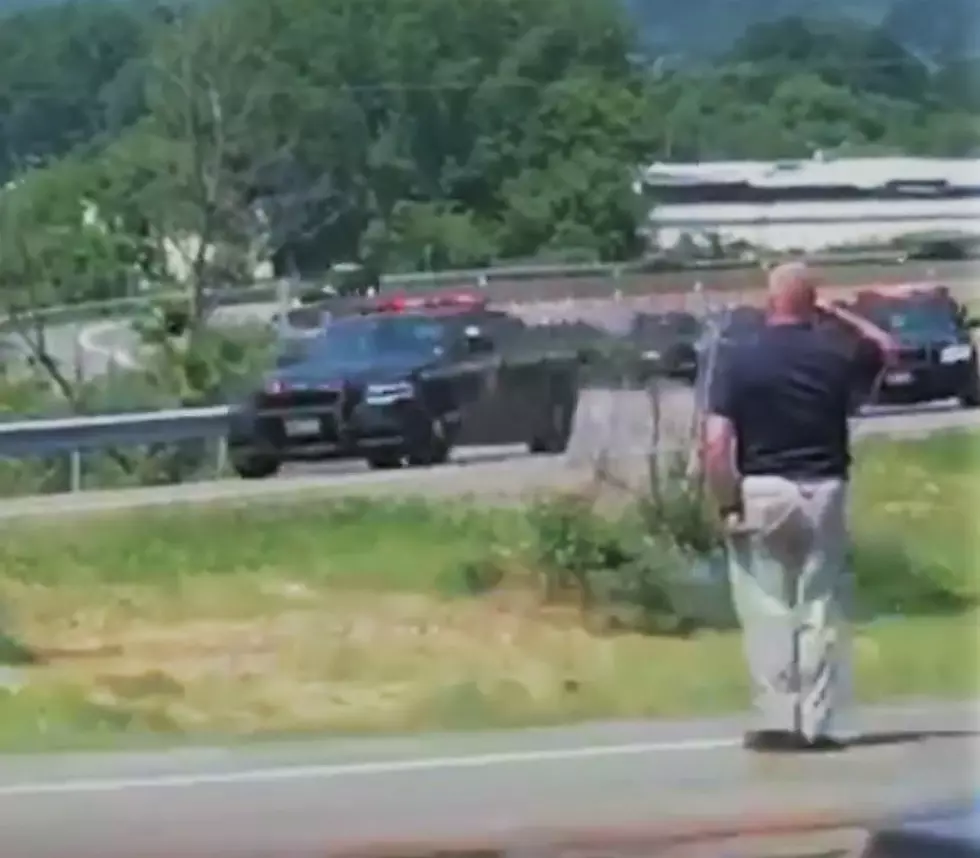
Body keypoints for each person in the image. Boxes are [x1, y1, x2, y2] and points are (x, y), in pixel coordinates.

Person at [700, 262, 898, 753]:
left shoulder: (740, 360)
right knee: (819, 605)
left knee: (766, 605)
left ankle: (777, 719)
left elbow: (716, 442)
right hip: (824, 486)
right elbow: (888, 349)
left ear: (769, 302)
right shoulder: (833, 356)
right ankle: (819, 723)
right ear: (813, 304)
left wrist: (726, 499)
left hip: (764, 487)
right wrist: (839, 315)